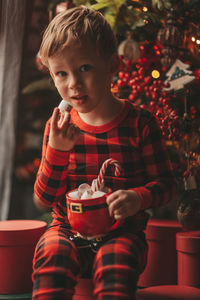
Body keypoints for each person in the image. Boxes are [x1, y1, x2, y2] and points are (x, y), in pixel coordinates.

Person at [32, 5, 177, 300]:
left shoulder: (140, 123)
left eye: (84, 68)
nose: (73, 84)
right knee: (50, 257)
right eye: (61, 73)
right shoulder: (57, 127)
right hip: (66, 229)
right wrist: (57, 152)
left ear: (112, 65)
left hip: (121, 232)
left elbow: (166, 185)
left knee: (117, 268)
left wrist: (139, 197)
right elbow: (43, 200)